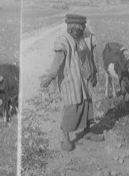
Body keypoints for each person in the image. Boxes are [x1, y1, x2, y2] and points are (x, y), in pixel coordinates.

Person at [41, 14, 104, 152]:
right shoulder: (63, 40)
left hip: (86, 78)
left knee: (87, 103)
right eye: (72, 28)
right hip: (71, 79)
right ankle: (66, 138)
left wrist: (95, 73)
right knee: (72, 106)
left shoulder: (88, 37)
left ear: (83, 27)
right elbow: (58, 60)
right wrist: (51, 76)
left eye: (79, 28)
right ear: (68, 27)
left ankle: (87, 130)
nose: (75, 30)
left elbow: (94, 56)